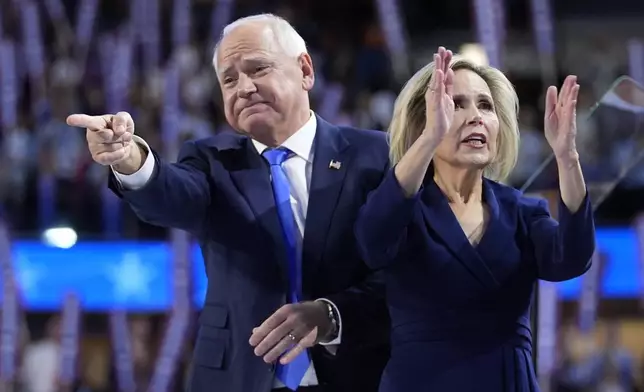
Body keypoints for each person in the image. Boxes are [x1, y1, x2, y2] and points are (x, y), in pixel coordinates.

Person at [66, 14, 390, 392]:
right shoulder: (211, 160)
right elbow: (172, 195)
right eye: (229, 79)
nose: (245, 88)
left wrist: (331, 316)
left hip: (359, 373)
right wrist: (131, 159)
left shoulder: (374, 155)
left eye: (258, 68)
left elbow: (402, 275)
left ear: (304, 70)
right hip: (236, 378)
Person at [354, 47, 596, 391]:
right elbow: (372, 242)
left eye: (485, 105)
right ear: (425, 123)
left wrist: (567, 158)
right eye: (457, 104)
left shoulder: (523, 212)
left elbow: (572, 259)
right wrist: (428, 140)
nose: (475, 116)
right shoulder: (402, 207)